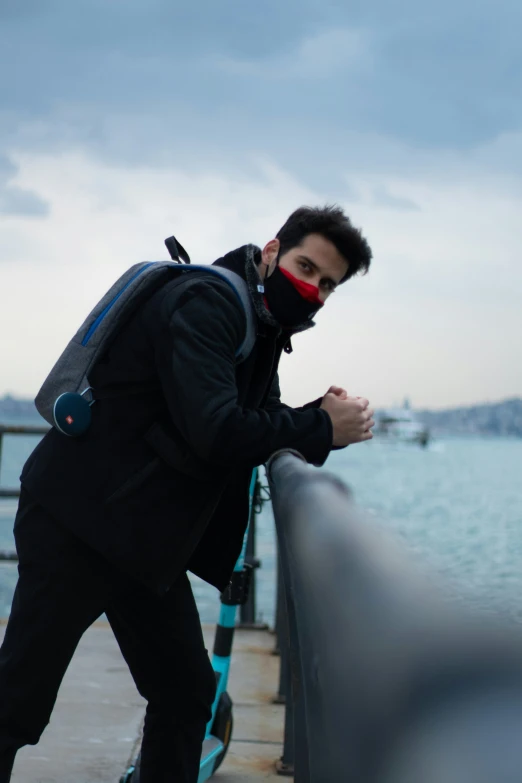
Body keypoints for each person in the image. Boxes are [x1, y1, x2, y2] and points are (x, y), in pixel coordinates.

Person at [0, 205, 374, 782]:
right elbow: (217, 429)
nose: (312, 290)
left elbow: (257, 416)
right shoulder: (209, 303)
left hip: (141, 541)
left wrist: (317, 415)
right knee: (18, 702)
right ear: (272, 251)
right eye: (305, 267)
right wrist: (323, 429)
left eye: (327, 285)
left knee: (185, 694)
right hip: (79, 526)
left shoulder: (262, 321)